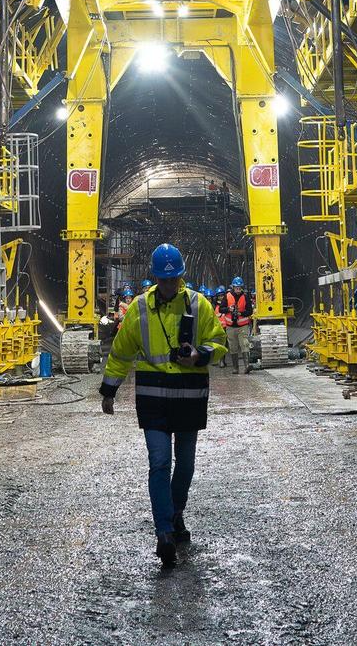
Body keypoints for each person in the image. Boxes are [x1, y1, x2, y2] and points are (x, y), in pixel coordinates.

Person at [101, 242, 226, 568]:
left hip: (189, 395)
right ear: (156, 277)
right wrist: (109, 390)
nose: (169, 285)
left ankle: (176, 512)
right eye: (164, 280)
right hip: (154, 398)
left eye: (174, 279)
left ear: (181, 276)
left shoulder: (199, 306)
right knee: (159, 463)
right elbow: (121, 351)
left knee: (184, 465)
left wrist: (200, 354)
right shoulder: (139, 309)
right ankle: (164, 533)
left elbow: (219, 342)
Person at [218, 277, 253, 374]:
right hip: (230, 327)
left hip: (242, 326)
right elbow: (221, 309)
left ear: (242, 288)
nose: (238, 290)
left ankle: (247, 366)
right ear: (233, 287)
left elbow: (250, 311)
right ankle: (235, 368)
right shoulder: (227, 296)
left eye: (240, 288)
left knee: (244, 344)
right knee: (233, 347)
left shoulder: (245, 297)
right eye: (236, 288)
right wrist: (229, 309)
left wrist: (241, 314)